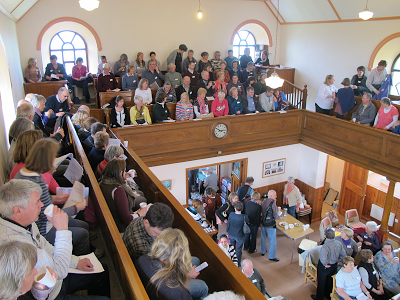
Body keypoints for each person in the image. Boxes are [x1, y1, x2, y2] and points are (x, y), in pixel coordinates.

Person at [0, 180, 111, 300]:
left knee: (102, 270)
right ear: (17, 210)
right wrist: (62, 229)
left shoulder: (26, 223)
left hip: (56, 280)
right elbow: (60, 271)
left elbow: (46, 246)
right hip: (52, 292)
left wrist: (75, 262)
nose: (42, 205)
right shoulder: (15, 245)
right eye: (36, 202)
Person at [136, 228, 208, 300]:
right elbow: (172, 282)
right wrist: (185, 277)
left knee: (195, 260)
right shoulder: (181, 295)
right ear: (180, 259)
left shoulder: (142, 259)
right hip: (162, 289)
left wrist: (186, 274)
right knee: (203, 286)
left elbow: (166, 271)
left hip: (152, 284)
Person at [100, 159, 147, 234]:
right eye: (124, 171)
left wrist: (123, 177)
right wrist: (139, 214)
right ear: (120, 173)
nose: (125, 172)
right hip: (123, 227)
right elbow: (126, 219)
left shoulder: (103, 182)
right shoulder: (118, 190)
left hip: (112, 220)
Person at [311, 228, 346, 300]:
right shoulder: (339, 244)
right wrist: (339, 262)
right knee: (330, 281)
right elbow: (344, 255)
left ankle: (319, 297)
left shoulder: (325, 246)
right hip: (334, 266)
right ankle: (328, 295)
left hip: (325, 267)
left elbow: (323, 257)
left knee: (321, 281)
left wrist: (324, 264)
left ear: (325, 236)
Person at [226, 201, 248, 266]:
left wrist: (227, 232)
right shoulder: (244, 217)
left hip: (231, 234)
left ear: (235, 208)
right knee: (238, 250)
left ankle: (231, 260)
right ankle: (237, 263)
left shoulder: (231, 214)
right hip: (240, 235)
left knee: (231, 248)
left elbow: (228, 224)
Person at [260, 190, 279, 262]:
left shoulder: (263, 201)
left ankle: (263, 251)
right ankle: (272, 256)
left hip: (263, 223)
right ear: (271, 196)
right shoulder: (273, 203)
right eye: (275, 195)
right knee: (272, 241)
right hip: (270, 225)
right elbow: (275, 215)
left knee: (263, 238)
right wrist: (278, 217)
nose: (276, 197)